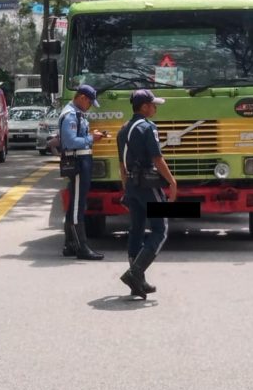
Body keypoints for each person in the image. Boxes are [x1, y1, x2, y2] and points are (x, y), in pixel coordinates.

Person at [116, 89, 177, 299]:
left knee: (137, 230)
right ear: (144, 107)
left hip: (132, 185)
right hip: (148, 185)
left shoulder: (123, 129)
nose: (155, 108)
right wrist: (172, 182)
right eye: (153, 104)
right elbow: (157, 159)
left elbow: (121, 165)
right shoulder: (147, 127)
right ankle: (135, 273)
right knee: (161, 230)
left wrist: (126, 189)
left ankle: (137, 282)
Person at [60, 84, 106, 261]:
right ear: (81, 98)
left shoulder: (77, 114)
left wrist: (90, 135)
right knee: (78, 206)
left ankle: (70, 244)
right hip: (78, 162)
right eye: (89, 102)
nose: (89, 106)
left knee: (75, 204)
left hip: (82, 161)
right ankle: (82, 247)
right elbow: (70, 141)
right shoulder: (71, 115)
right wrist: (91, 138)